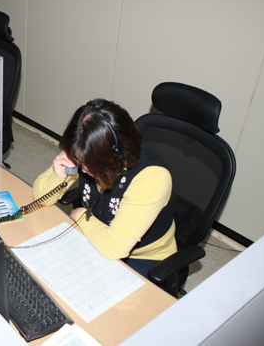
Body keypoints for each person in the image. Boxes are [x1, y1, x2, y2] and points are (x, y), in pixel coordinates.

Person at [32, 99, 177, 277]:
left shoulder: (152, 179)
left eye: (89, 164)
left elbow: (114, 248)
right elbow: (40, 198)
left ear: (114, 156)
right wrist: (58, 176)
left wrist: (79, 215)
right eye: (78, 161)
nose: (82, 168)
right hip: (97, 234)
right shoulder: (84, 148)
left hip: (143, 257)